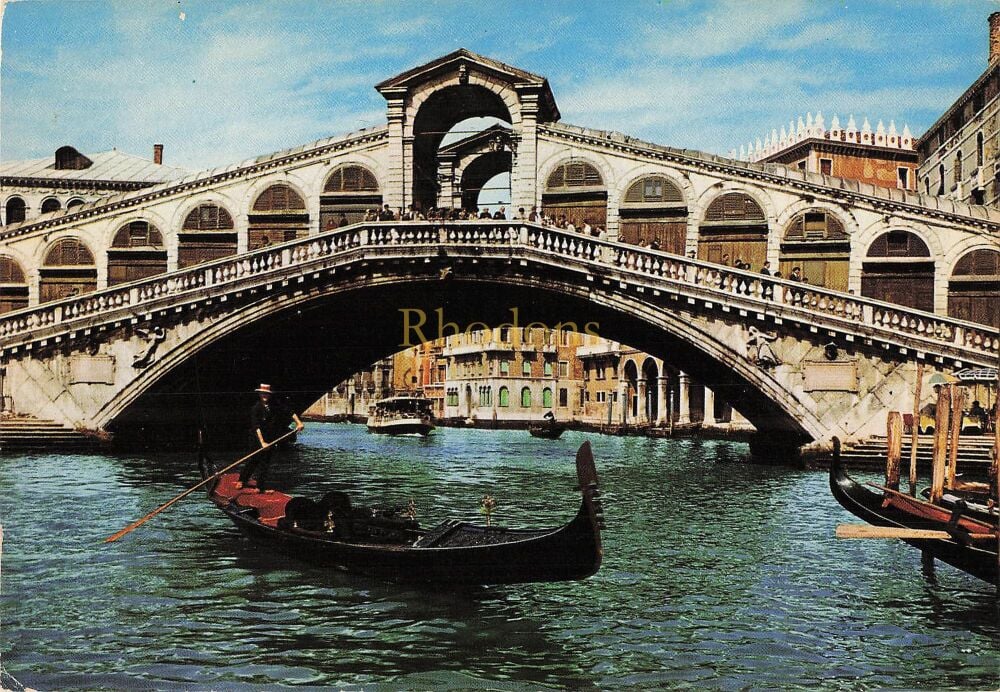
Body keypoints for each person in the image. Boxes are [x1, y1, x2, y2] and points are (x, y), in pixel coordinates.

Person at [239, 383, 293, 493]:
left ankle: (260, 487)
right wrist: (262, 442)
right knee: (253, 460)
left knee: (265, 463)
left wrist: (298, 422)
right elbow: (256, 427)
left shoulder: (274, 406)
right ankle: (242, 480)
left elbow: (288, 412)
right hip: (257, 438)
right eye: (263, 393)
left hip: (270, 438)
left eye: (267, 394)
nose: (265, 395)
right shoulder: (256, 408)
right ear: (259, 394)